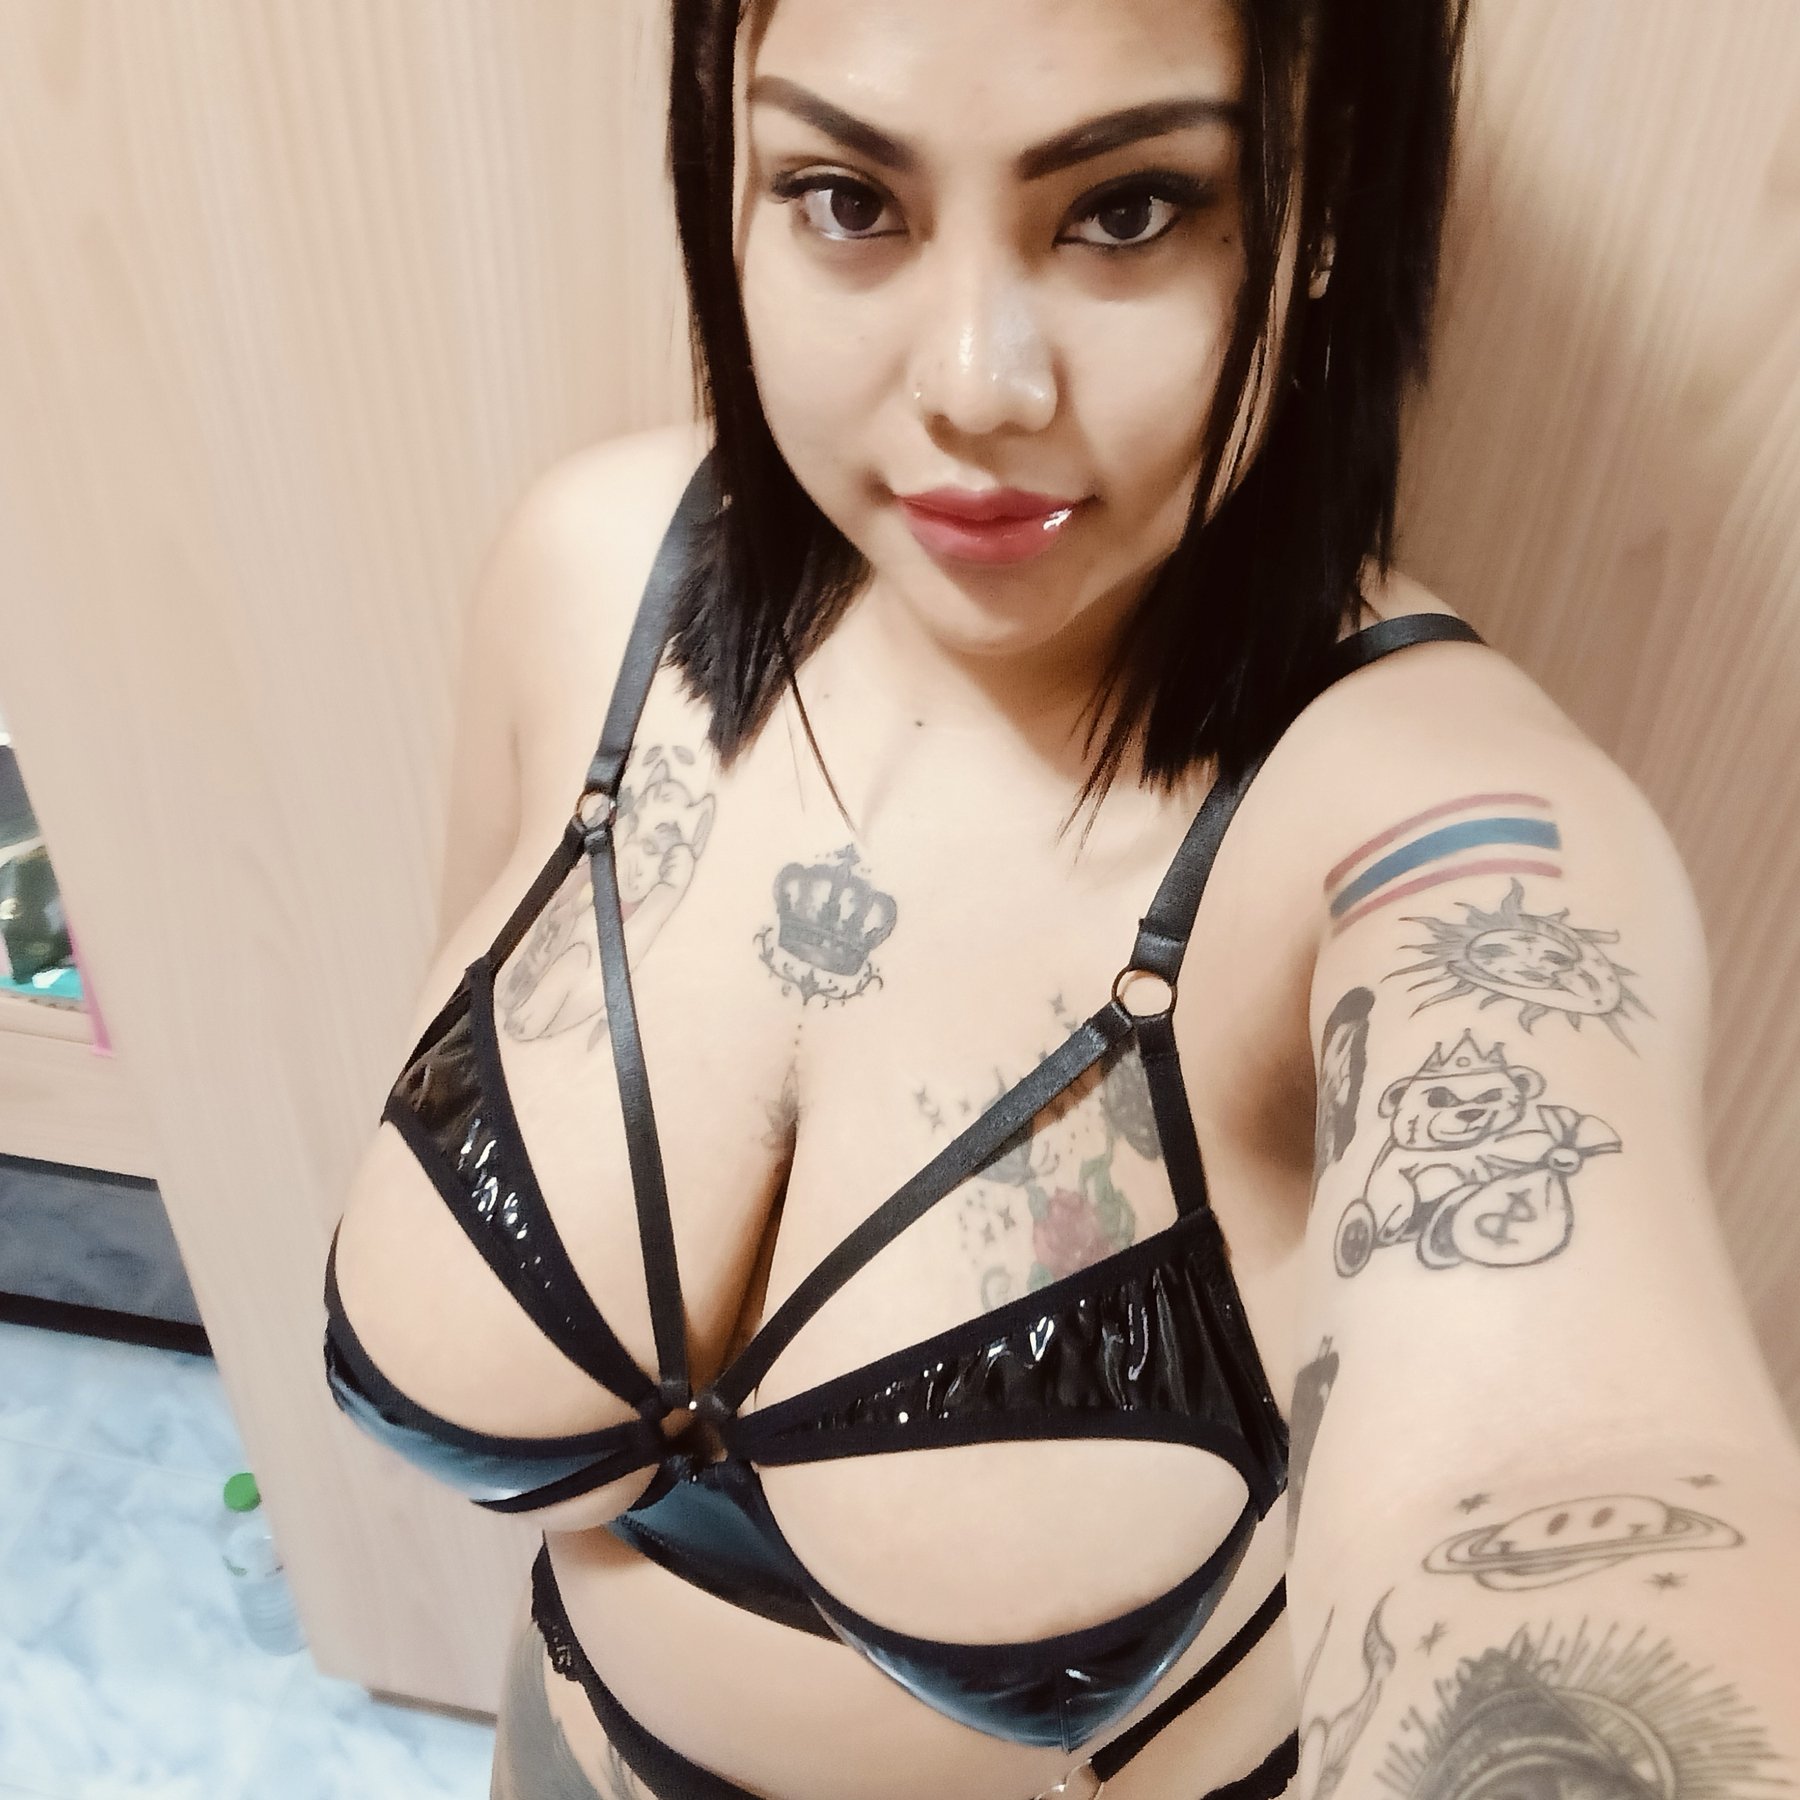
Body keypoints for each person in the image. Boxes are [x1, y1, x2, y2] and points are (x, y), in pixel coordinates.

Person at [322, 1, 1800, 1795]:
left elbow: (1566, 1468)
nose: (976, 385)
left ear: (1325, 205)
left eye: (1127, 210)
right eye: (847, 196)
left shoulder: (1442, 837)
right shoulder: (585, 578)